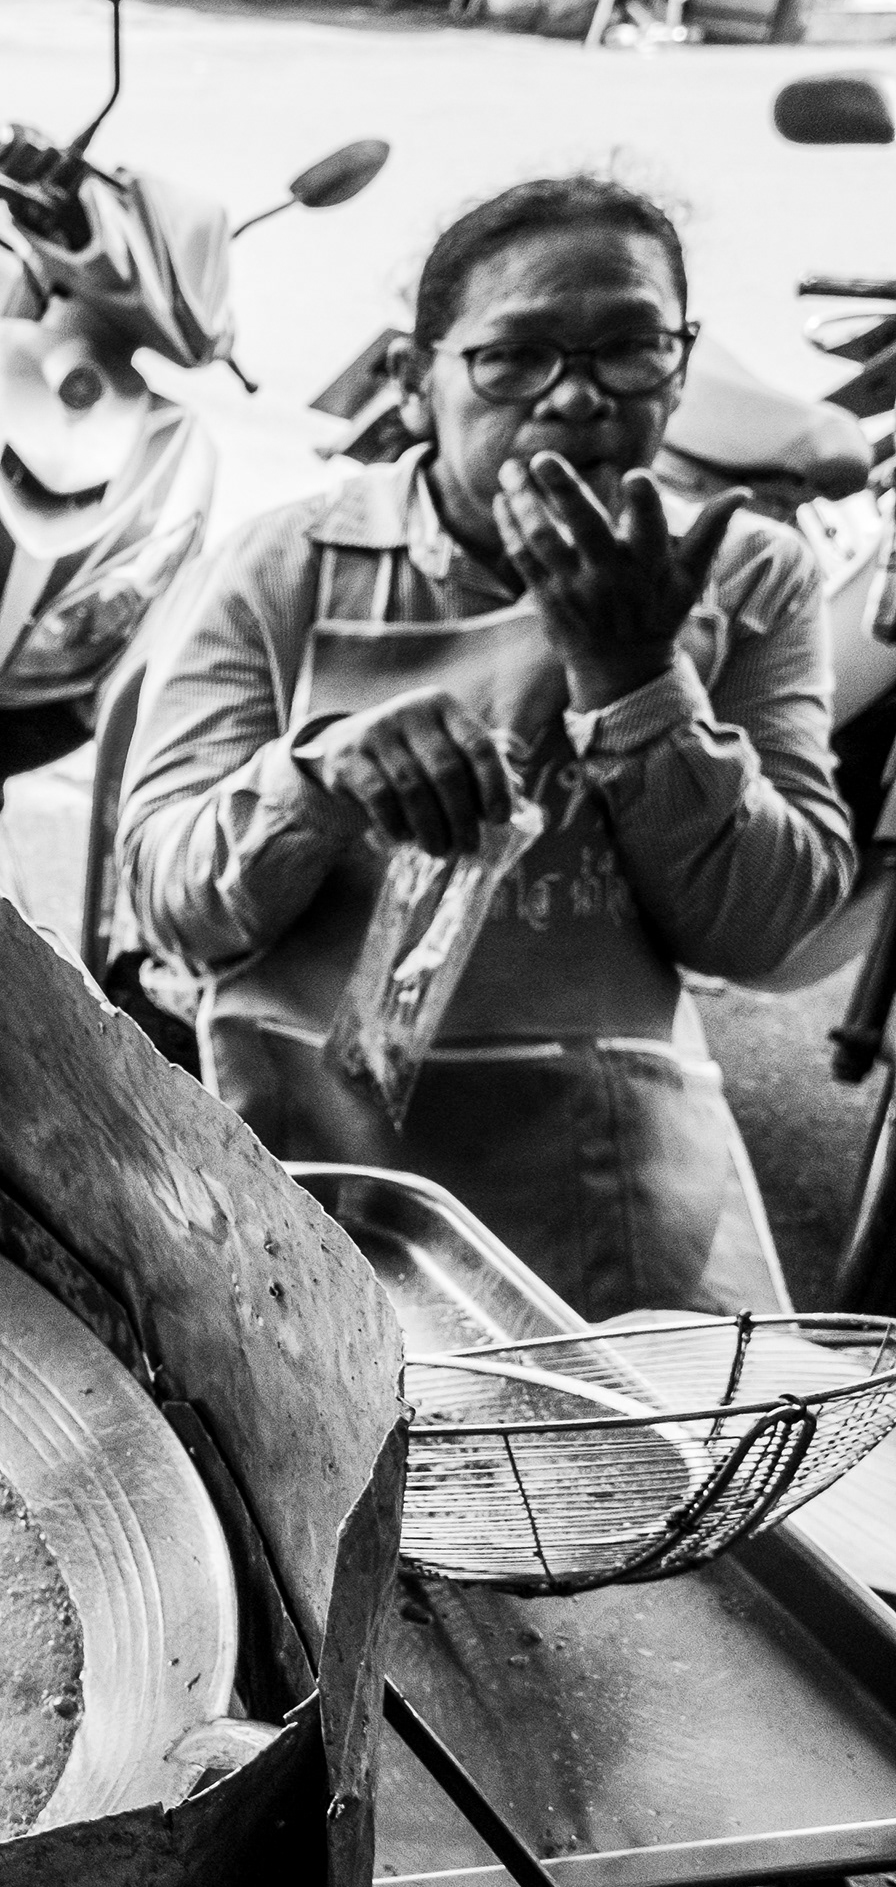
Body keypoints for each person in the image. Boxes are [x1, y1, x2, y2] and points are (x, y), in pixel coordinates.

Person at [116, 176, 857, 1316]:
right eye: (514, 358)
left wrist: (635, 680)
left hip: (603, 1187)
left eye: (631, 348)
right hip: (309, 1171)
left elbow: (767, 928)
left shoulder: (747, 575)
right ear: (418, 384)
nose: (577, 399)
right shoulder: (288, 566)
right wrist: (318, 781)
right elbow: (169, 902)